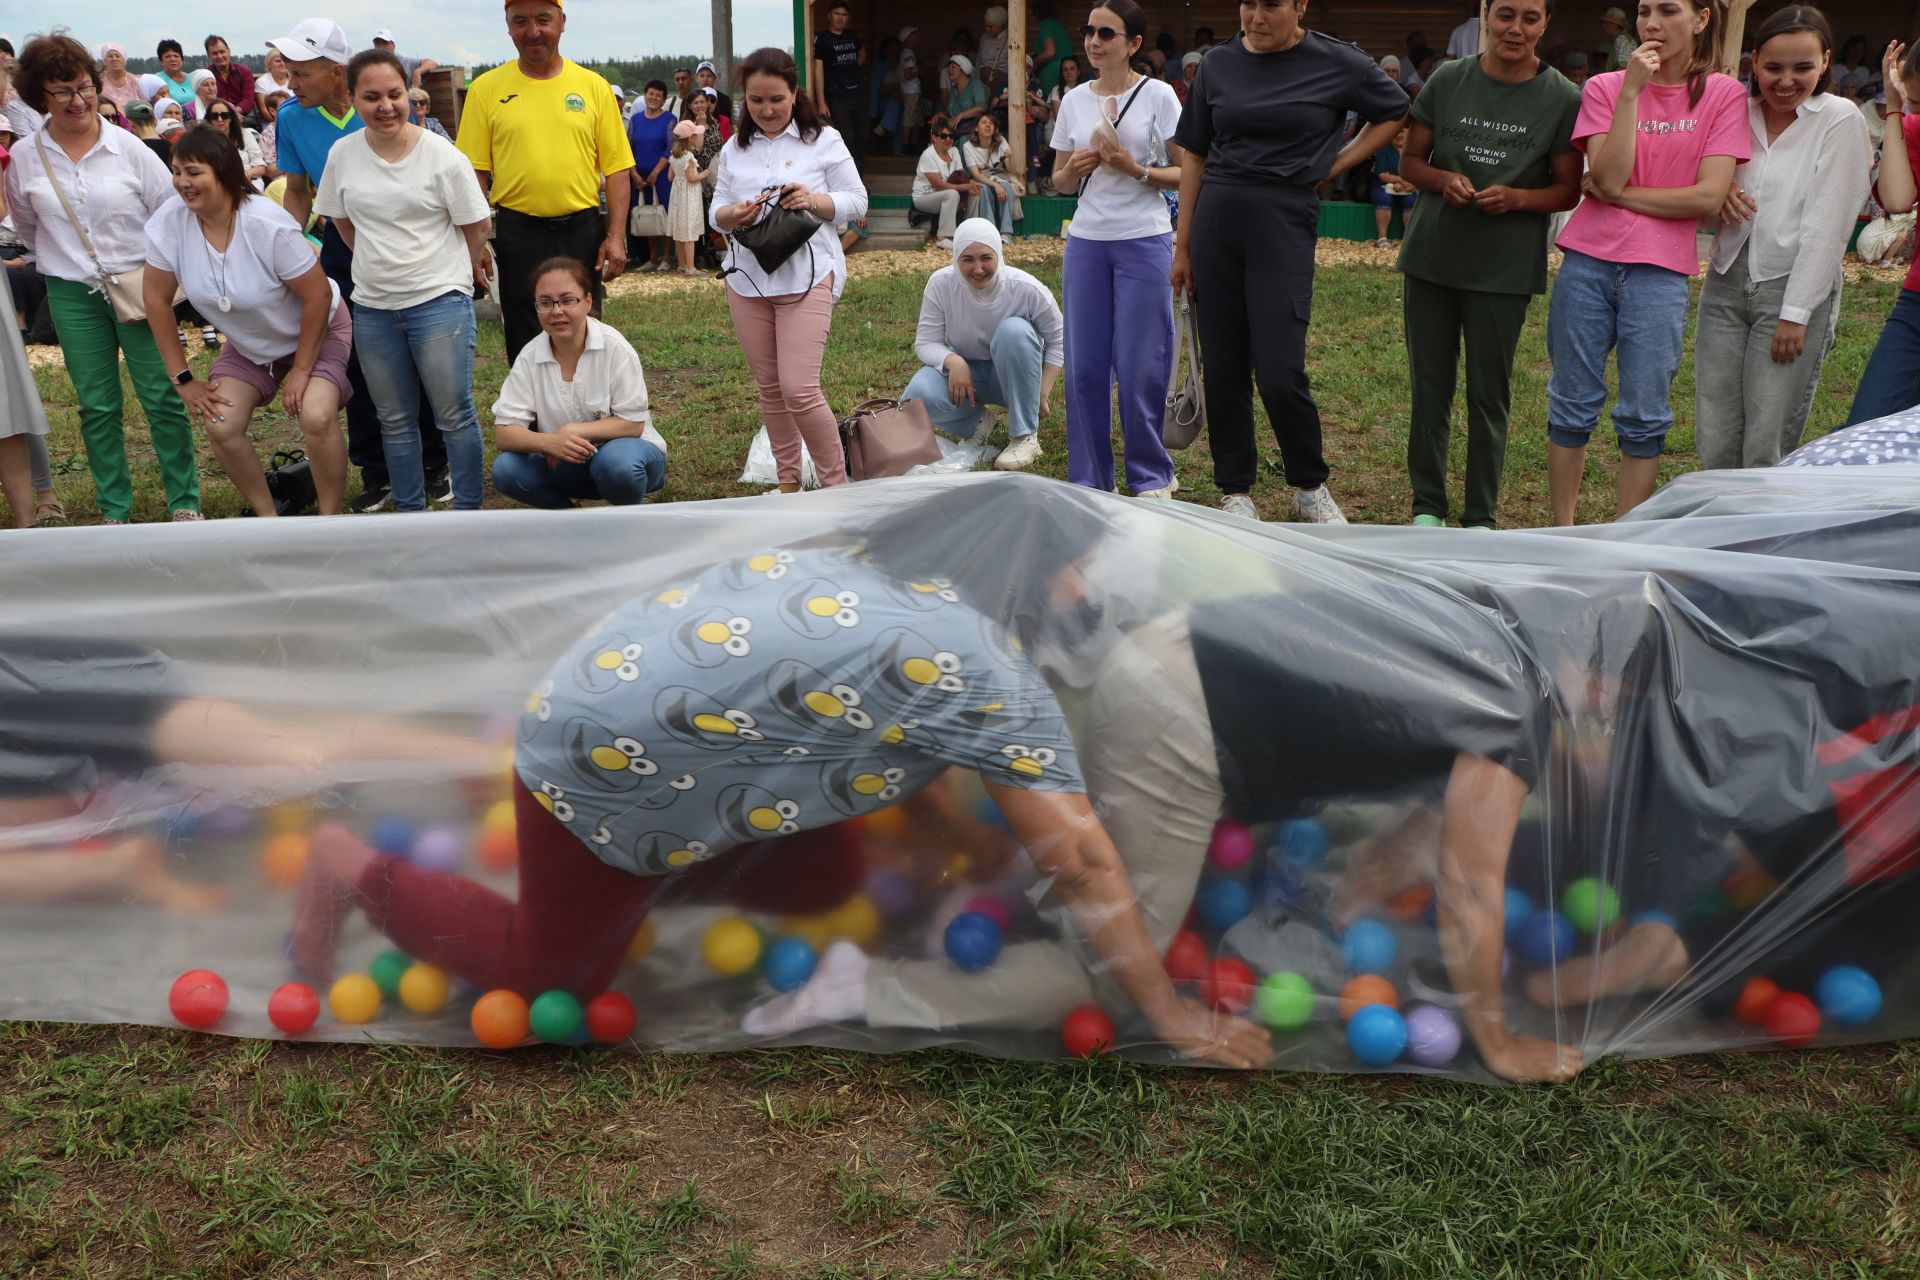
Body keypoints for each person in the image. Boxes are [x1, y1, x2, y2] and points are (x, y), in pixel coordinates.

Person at [287, 481, 1276, 1071]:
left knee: (824, 880)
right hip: (594, 765)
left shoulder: (887, 563)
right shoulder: (987, 670)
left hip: (627, 697)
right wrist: (1174, 1015)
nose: (1083, 587)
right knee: (552, 984)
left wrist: (959, 838)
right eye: (1077, 568)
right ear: (1037, 574)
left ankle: (642, 882)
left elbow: (898, 719)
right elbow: (1087, 862)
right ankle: (347, 864)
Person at [1172, 0, 1408, 523]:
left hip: (1283, 221)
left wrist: (1339, 161)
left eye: (1271, 5)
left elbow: (1394, 109)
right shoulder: (1216, 64)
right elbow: (1195, 154)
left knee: (1281, 369)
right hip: (1217, 220)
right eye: (1247, 3)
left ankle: (1308, 485)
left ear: (1300, 5)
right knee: (1225, 364)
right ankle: (1235, 490)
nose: (1256, 16)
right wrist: (1182, 244)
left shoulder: (1336, 61)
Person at [1544, 0, 1747, 525]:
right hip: (1587, 263)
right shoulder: (1606, 88)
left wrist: (1621, 196)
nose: (1652, 24)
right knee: (1571, 400)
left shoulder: (1724, 94)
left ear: (1701, 19)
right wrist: (1632, 91)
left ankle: (1627, 535)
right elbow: (1607, 175)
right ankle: (1561, 531)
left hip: (1660, 271)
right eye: (1644, 11)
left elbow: (1707, 198)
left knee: (1645, 412)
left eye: (1669, 11)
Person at [1396, 0, 1581, 531]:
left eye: (1529, 18)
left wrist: (1518, 198)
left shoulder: (1562, 98)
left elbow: (1567, 189)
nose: (1515, 29)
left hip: (1504, 267)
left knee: (1488, 393)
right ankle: (1427, 506)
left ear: (1545, 24)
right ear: (1485, 17)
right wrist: (1441, 180)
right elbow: (1411, 160)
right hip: (1433, 256)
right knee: (1430, 386)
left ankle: (1480, 513)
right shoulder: (1448, 79)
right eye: (1505, 15)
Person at [4, 33, 201, 523]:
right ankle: (115, 507)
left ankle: (185, 501)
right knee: (96, 405)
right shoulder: (27, 156)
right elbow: (29, 227)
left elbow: (170, 211)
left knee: (161, 394)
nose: (78, 100)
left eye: (84, 87)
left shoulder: (129, 148)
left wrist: (160, 275)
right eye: (62, 91)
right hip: (71, 291)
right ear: (39, 98)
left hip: (139, 285)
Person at [273, 17, 448, 513]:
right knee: (357, 362)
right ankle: (377, 471)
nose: (292, 82)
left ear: (335, 71)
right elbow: (297, 191)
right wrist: (289, 249)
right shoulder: (291, 117)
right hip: (340, 254)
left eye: (301, 72)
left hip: (404, 251)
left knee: (416, 355)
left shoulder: (382, 111)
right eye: (288, 71)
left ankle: (433, 463)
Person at [143, 125, 350, 517]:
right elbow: (155, 301)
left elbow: (319, 296)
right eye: (177, 171)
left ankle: (330, 520)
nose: (182, 183)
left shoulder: (266, 224)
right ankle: (268, 519)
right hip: (252, 344)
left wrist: (302, 371)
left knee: (316, 415)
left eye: (193, 172)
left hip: (317, 329)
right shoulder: (171, 221)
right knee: (221, 423)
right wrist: (184, 379)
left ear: (225, 172)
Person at [1695, 6, 1870, 469]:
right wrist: (1721, 186)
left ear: (1826, 61)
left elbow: (1829, 224)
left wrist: (1797, 313)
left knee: (1766, 440)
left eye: (1803, 67)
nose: (1786, 80)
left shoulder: (1839, 118)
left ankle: (1759, 537)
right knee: (1714, 431)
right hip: (1726, 277)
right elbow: (1694, 168)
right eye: (1773, 67)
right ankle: (1712, 537)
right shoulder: (1735, 109)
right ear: (1754, 62)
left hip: (1792, 284)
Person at [315, 50, 491, 513]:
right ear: (353, 99)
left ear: (409, 95)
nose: (386, 106)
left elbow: (477, 226)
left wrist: (452, 271)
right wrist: (379, 265)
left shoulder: (441, 155)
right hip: (372, 307)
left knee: (453, 414)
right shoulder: (343, 154)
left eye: (394, 94)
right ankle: (410, 514)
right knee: (393, 419)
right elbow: (342, 221)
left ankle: (468, 510)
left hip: (439, 303)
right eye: (371, 97)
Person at [710, 46, 867, 492]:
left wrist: (812, 200)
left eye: (776, 99)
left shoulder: (824, 140)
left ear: (795, 93)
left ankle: (837, 488)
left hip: (808, 274)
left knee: (798, 388)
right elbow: (715, 209)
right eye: (756, 101)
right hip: (747, 278)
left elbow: (858, 202)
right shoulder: (734, 148)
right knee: (771, 391)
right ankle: (788, 485)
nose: (766, 110)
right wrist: (731, 216)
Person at [1048, 3, 1185, 494]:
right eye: (1088, 31)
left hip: (1144, 240)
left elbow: (1188, 171)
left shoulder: (1160, 96)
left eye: (1106, 32)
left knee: (1139, 364)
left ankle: (1151, 476)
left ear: (1133, 44)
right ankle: (1090, 479)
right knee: (1084, 369)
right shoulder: (1073, 100)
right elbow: (1058, 179)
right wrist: (1076, 169)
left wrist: (1136, 170)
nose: (1093, 41)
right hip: (1086, 243)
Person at [456, 0, 634, 364]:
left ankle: (585, 415)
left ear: (562, 22)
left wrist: (615, 236)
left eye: (543, 19)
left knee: (583, 328)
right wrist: (474, 245)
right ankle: (531, 419)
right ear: (508, 26)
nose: (533, 31)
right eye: (520, 21)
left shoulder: (593, 87)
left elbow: (617, 169)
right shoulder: (487, 89)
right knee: (524, 333)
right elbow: (473, 173)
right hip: (518, 231)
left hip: (582, 229)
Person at [489, 256, 668, 508]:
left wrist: (570, 431)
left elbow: (632, 424)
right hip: (566, 463)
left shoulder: (614, 347)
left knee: (617, 466)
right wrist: (548, 442)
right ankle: (571, 521)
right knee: (506, 470)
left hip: (627, 456)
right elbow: (504, 433)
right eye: (545, 303)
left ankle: (627, 519)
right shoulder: (529, 357)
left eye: (567, 300)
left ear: (588, 301)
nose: (557, 310)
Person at [903, 218, 1063, 462]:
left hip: (1016, 380)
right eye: (967, 259)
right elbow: (925, 342)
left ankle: (1025, 436)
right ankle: (976, 425)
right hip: (969, 378)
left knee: (1014, 332)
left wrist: (1041, 393)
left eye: (986, 258)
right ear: (956, 258)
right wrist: (954, 361)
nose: (978, 269)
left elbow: (1059, 339)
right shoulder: (940, 284)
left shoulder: (1026, 288)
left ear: (999, 254)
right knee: (918, 394)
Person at [1844, 41, 1920, 426]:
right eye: (1917, 104)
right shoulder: (1911, 126)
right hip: (1917, 305)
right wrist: (1894, 109)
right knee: (1865, 425)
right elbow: (1897, 199)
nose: (1917, 114)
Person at [812, 0, 869, 170]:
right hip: (837, 97)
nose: (840, 18)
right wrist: (821, 102)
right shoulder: (822, 39)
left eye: (844, 15)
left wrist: (853, 67)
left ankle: (860, 179)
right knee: (847, 139)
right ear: (829, 15)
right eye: (837, 14)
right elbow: (818, 71)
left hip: (858, 94)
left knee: (862, 137)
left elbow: (862, 51)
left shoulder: (851, 36)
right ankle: (850, 179)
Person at [627, 81, 675, 274]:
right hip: (638, 177)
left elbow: (670, 148)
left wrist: (656, 172)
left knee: (664, 213)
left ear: (663, 99)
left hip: (662, 176)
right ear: (645, 95)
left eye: (658, 95)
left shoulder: (670, 119)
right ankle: (652, 258)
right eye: (651, 93)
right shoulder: (636, 119)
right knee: (646, 214)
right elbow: (627, 149)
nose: (654, 97)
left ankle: (666, 258)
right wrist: (634, 173)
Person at [913, 117, 978, 247]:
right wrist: (965, 186)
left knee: (975, 193)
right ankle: (943, 237)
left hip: (948, 193)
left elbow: (960, 176)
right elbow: (938, 184)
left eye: (951, 136)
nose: (948, 139)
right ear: (934, 138)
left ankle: (970, 232)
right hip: (924, 198)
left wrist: (970, 186)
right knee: (952, 193)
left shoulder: (954, 151)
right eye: (943, 136)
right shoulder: (928, 155)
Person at [962, 113, 1021, 233]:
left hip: (999, 176)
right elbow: (976, 175)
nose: (988, 126)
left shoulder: (1001, 140)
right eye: (984, 123)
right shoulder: (967, 146)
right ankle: (989, 230)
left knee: (1007, 188)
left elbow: (1010, 170)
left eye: (991, 123)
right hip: (981, 178)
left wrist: (1008, 159)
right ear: (976, 128)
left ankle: (1006, 232)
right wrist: (995, 185)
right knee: (983, 189)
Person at [665, 120, 709, 275]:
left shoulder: (674, 156)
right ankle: (690, 267)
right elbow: (691, 178)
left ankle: (682, 264)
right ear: (690, 138)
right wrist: (705, 173)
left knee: (679, 231)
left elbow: (670, 177)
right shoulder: (689, 156)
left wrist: (680, 177)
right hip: (688, 196)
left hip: (677, 196)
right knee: (689, 231)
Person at [202, 98, 269, 187]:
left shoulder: (245, 135)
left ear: (231, 118)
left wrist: (247, 174)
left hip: (250, 182)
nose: (220, 119)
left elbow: (261, 168)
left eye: (224, 115)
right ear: (209, 119)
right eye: (214, 116)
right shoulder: (203, 141)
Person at [1370, 122, 1414, 246]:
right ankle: (1382, 238)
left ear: (1409, 134)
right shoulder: (1384, 149)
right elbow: (1383, 175)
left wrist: (1403, 184)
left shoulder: (1412, 152)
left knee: (1412, 200)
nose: (1399, 135)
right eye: (1396, 132)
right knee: (1384, 198)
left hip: (1406, 189)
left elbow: (1417, 174)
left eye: (1403, 132)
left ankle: (1409, 239)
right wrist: (1400, 181)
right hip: (1382, 187)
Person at [205, 34, 256, 114]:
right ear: (208, 55)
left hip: (244, 115)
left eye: (222, 52)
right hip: (216, 116)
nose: (219, 56)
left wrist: (232, 114)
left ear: (228, 51)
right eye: (214, 53)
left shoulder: (244, 72)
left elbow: (248, 99)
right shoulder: (206, 75)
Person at [370, 30, 438, 88]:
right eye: (378, 43)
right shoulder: (369, 65)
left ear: (393, 45)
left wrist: (418, 72)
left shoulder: (405, 62)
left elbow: (432, 63)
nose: (381, 47)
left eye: (385, 43)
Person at [945, 55, 989, 135]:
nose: (949, 70)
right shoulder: (953, 90)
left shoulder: (975, 84)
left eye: (953, 67)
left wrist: (961, 115)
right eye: (949, 67)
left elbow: (982, 107)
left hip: (974, 131)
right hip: (956, 130)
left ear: (963, 69)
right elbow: (950, 114)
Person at [1035, 1, 1072, 93]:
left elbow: (1050, 52)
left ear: (1037, 13)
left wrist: (1033, 62)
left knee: (1050, 103)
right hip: (1069, 69)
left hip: (1052, 71)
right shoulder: (1060, 25)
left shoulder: (1045, 25)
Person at [97, 43, 143, 117]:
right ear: (104, 61)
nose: (114, 59)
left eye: (117, 56)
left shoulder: (135, 81)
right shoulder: (98, 81)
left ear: (124, 60)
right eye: (110, 56)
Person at [150, 39, 194, 112]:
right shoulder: (156, 80)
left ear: (182, 59)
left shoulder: (192, 78)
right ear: (161, 61)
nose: (173, 59)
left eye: (176, 56)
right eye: (168, 56)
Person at [695, 62, 734, 130]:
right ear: (696, 78)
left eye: (709, 76)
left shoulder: (725, 100)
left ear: (715, 78)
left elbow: (728, 126)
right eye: (702, 76)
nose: (705, 79)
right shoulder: (689, 98)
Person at [255, 48, 291, 117]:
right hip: (272, 123)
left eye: (285, 60)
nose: (282, 63)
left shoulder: (293, 80)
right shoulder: (262, 82)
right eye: (278, 61)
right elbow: (263, 111)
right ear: (269, 64)